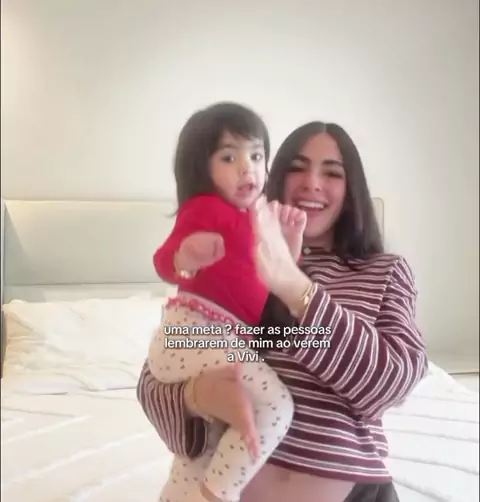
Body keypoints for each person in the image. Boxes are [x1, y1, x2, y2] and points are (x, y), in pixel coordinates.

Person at [138, 120, 428, 502]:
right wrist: (199, 396)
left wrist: (296, 289)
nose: (312, 183)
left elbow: (392, 383)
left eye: (332, 173)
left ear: (350, 190)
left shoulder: (384, 271)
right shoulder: (231, 255)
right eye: (297, 167)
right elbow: (159, 375)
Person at [148, 102, 308, 502]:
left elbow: (276, 283)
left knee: (208, 443)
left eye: (256, 156)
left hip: (221, 343)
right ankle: (218, 493)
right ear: (201, 168)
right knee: (276, 407)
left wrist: (290, 244)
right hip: (192, 334)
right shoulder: (206, 209)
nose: (247, 169)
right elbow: (164, 261)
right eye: (228, 157)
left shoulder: (261, 219)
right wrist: (186, 256)